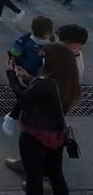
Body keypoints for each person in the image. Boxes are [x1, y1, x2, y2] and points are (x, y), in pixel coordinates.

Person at [7, 42, 79, 195]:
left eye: (45, 57)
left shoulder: (45, 83)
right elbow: (47, 93)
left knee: (34, 177)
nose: (42, 60)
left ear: (54, 61)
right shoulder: (68, 81)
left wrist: (12, 76)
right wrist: (29, 79)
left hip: (34, 136)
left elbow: (23, 97)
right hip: (57, 136)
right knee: (56, 174)